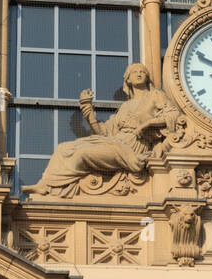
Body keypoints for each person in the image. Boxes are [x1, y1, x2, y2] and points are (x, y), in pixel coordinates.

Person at [28, 63, 183, 196]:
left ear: (147, 77)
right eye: (135, 71)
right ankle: (46, 185)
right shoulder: (125, 106)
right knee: (63, 148)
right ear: (127, 79)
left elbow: (173, 115)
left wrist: (148, 124)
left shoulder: (155, 95)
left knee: (82, 154)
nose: (139, 73)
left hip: (133, 147)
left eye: (142, 71)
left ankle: (56, 187)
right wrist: (88, 112)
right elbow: (105, 132)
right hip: (115, 142)